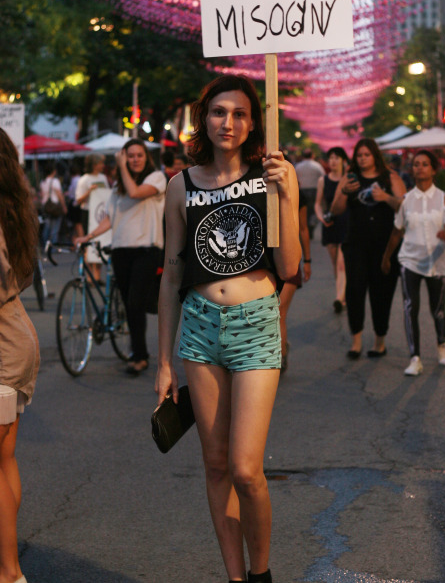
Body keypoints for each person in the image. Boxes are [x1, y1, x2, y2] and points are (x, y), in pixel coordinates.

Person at [156, 74, 301, 583]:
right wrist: (164, 363)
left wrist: (285, 198)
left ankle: (261, 575)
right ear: (205, 118)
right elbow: (173, 272)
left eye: (239, 113)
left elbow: (289, 267)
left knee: (245, 468)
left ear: (253, 122)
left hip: (255, 321)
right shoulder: (181, 185)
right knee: (216, 467)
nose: (228, 122)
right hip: (198, 328)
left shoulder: (275, 176)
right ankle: (235, 577)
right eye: (219, 112)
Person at [78, 139, 166, 375]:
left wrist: (120, 166)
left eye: (139, 155)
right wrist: (89, 236)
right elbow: (110, 217)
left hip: (146, 250)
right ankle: (137, 351)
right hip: (121, 250)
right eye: (130, 156)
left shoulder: (155, 178)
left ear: (146, 157)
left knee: (136, 302)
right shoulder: (118, 186)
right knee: (129, 305)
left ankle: (140, 356)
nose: (135, 159)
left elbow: (136, 193)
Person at [0, 127, 40, 583]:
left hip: (5, 348)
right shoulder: (12, 205)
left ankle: (9, 572)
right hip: (14, 335)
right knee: (4, 458)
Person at [382, 150, 445, 376]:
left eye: (425, 164)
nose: (419, 168)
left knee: (437, 309)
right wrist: (386, 257)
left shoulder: (444, 197)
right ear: (411, 169)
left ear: (433, 169)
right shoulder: (407, 200)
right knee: (409, 307)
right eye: (416, 164)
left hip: (439, 261)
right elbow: (397, 231)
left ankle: (442, 344)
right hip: (410, 260)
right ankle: (415, 358)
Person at [332, 138, 406, 359]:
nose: (362, 159)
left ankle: (379, 342)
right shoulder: (350, 177)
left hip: (384, 247)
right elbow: (335, 210)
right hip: (355, 244)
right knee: (355, 292)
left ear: (375, 156)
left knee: (381, 293)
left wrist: (386, 197)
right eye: (359, 155)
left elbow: (404, 206)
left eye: (367, 155)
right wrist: (345, 191)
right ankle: (356, 342)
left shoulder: (389, 177)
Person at [279, 188, 311, 373]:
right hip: (263, 263)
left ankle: (281, 355)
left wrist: (307, 260)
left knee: (279, 311)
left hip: (288, 261)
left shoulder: (297, 193)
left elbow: (304, 228)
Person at [314, 147, 349, 313]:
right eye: (331, 158)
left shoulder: (348, 179)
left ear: (343, 160)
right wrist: (321, 218)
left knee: (342, 263)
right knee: (335, 264)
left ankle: (338, 298)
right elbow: (317, 204)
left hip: (346, 224)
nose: (333, 161)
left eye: (336, 158)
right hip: (330, 224)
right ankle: (342, 294)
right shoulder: (323, 180)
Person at [75, 154, 109, 280]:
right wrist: (89, 192)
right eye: (101, 163)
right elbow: (78, 200)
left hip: (100, 213)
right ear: (94, 165)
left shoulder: (103, 177)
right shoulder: (84, 179)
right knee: (89, 244)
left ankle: (97, 275)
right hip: (88, 213)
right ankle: (90, 276)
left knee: (100, 242)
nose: (103, 166)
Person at [294, 148, 325, 238]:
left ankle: (305, 227)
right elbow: (323, 177)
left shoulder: (298, 166)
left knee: (303, 212)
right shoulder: (317, 166)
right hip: (314, 190)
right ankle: (310, 227)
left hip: (302, 190)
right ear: (312, 155)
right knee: (312, 211)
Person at [39, 161, 67, 246]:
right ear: (54, 171)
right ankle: (52, 247)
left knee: (47, 226)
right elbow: (60, 195)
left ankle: (45, 245)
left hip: (45, 206)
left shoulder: (43, 181)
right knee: (55, 228)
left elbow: (42, 195)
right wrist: (64, 206)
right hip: (54, 207)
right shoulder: (55, 181)